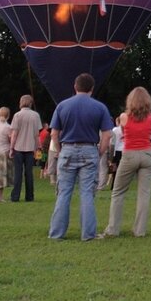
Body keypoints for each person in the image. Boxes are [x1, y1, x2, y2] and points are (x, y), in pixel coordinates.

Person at [47, 73, 113, 241]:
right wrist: (99, 152)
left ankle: (56, 233)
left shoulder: (62, 106)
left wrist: (61, 150)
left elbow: (54, 133)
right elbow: (107, 135)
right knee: (87, 193)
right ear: (92, 88)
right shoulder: (100, 107)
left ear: (75, 87)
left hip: (67, 149)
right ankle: (88, 234)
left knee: (64, 193)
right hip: (89, 149)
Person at [104, 86, 151, 237]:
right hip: (147, 154)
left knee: (118, 191)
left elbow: (123, 131)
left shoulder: (124, 116)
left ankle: (113, 229)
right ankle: (140, 230)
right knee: (144, 194)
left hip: (129, 154)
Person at [8, 95, 43, 202]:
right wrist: (38, 148)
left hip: (18, 147)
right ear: (31, 103)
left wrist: (11, 147)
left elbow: (14, 134)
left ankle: (15, 196)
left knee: (18, 173)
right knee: (29, 173)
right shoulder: (35, 115)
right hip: (30, 148)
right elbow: (37, 134)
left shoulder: (17, 115)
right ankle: (29, 196)